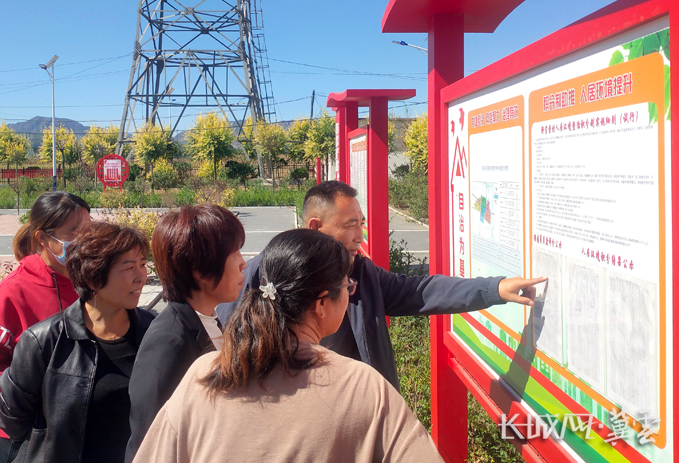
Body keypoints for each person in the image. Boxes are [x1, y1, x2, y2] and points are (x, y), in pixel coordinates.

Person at [133, 229, 443, 463]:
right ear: (322, 304)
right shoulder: (361, 386)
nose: (351, 291)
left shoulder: (206, 372)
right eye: (346, 286)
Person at [218, 180, 546, 390]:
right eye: (350, 225)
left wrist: (494, 288)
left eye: (361, 224)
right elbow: (229, 339)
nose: (361, 236)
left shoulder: (363, 274)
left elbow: (422, 290)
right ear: (316, 226)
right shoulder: (266, 273)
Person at [0, 222, 155, 463]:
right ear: (93, 276)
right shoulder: (44, 340)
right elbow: (13, 421)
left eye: (143, 264)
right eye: (129, 267)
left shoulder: (153, 330)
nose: (140, 276)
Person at [125, 204, 246, 463]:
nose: (243, 263)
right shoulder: (169, 341)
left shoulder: (209, 319)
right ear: (200, 271)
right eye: (233, 252)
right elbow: (149, 438)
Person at [0, 191, 90, 463]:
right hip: (24, 436)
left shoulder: (90, 280)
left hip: (79, 428)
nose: (84, 241)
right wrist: (30, 391)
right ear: (43, 238)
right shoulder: (10, 295)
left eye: (89, 230)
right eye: (73, 232)